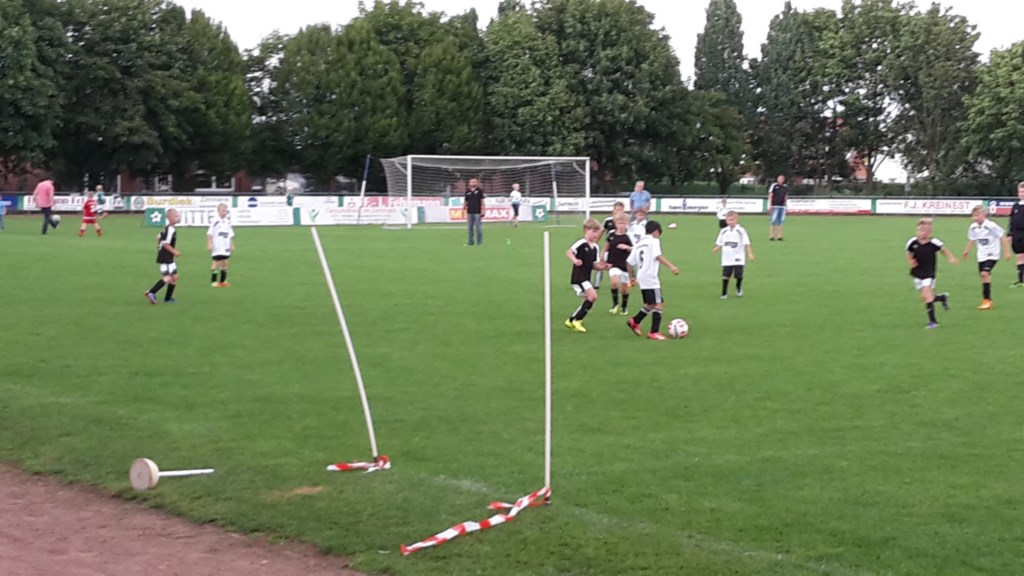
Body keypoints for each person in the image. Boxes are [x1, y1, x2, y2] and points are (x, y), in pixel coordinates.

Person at [626, 220, 680, 340]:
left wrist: (632, 278)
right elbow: (657, 255)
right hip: (650, 276)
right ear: (656, 232)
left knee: (651, 303)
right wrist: (671, 267)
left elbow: (629, 262)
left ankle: (634, 321)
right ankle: (654, 332)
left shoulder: (639, 243)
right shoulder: (654, 241)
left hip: (641, 276)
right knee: (659, 303)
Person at [906, 218, 958, 329]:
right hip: (917, 273)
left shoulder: (934, 242)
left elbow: (943, 249)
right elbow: (908, 252)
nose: (920, 233)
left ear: (929, 232)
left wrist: (951, 258)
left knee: (927, 295)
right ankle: (942, 297)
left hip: (929, 273)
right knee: (926, 297)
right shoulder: (912, 242)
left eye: (923, 231)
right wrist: (911, 261)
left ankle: (933, 322)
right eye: (919, 231)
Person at [564, 219, 611, 333]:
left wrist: (603, 267)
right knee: (593, 296)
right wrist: (575, 260)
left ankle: (571, 320)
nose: (596, 234)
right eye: (593, 231)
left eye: (597, 232)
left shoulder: (595, 247)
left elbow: (594, 265)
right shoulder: (581, 243)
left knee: (588, 300)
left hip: (586, 277)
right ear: (586, 230)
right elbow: (569, 252)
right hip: (579, 277)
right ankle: (578, 320)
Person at [962, 205, 1011, 310]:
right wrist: (967, 250)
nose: (975, 218)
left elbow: (1002, 236)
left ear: (984, 215)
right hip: (981, 255)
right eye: (974, 215)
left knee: (984, 273)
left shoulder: (991, 225)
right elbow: (972, 239)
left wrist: (1007, 251)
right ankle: (987, 301)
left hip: (992, 254)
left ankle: (987, 301)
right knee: (984, 277)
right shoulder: (973, 227)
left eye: (978, 215)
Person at [713, 211, 754, 299]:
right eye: (729, 220)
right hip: (727, 257)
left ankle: (738, 288)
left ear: (736, 220)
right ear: (726, 221)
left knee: (738, 275)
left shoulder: (741, 230)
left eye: (733, 220)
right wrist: (717, 248)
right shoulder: (723, 231)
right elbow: (720, 242)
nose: (731, 222)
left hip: (738, 257)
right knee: (725, 275)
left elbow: (747, 243)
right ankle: (724, 293)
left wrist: (750, 254)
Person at [145, 208, 181, 304]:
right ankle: (151, 292)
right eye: (176, 216)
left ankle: (168, 298)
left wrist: (160, 242)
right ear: (170, 217)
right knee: (168, 277)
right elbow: (165, 243)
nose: (178, 218)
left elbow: (158, 237)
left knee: (175, 276)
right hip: (165, 256)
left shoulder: (168, 228)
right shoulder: (170, 229)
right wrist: (174, 251)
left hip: (167, 256)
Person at [604, 212, 633, 315]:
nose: (621, 225)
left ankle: (624, 306)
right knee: (614, 282)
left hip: (625, 265)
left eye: (623, 223)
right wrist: (602, 257)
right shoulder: (611, 234)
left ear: (627, 224)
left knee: (624, 289)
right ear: (615, 224)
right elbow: (606, 246)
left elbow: (635, 249)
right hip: (613, 264)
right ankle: (615, 304)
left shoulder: (628, 236)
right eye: (619, 223)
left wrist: (627, 247)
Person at [594, 201, 625, 289]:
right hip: (609, 248)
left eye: (621, 210)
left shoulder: (625, 222)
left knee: (625, 266)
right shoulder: (607, 221)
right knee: (601, 263)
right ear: (613, 210)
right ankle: (596, 285)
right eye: (617, 209)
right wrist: (595, 243)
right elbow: (601, 232)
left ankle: (627, 282)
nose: (619, 211)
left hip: (622, 250)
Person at [207, 203, 235, 288]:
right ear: (218, 211)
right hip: (217, 245)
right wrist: (210, 244)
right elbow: (209, 234)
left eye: (225, 211)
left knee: (225, 263)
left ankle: (223, 281)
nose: (224, 212)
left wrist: (231, 245)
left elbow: (230, 234)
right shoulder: (215, 221)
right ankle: (214, 281)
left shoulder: (227, 222)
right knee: (215, 263)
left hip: (225, 246)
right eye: (223, 210)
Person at [1008, 181, 1024, 287]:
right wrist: (1009, 234)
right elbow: (1011, 221)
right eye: (1020, 192)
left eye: (1023, 192)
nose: (1022, 194)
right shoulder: (1015, 206)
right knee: (1019, 257)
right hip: (1017, 235)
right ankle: (1020, 281)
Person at [768, 175, 789, 241]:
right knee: (773, 220)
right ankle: (771, 236)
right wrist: (770, 205)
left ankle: (779, 236)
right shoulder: (774, 186)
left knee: (781, 221)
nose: (781, 180)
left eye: (782, 179)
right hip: (775, 206)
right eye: (780, 179)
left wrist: (786, 206)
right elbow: (770, 195)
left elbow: (785, 196)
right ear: (777, 179)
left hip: (782, 207)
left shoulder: (785, 187)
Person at [465, 177, 485, 245]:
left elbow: (482, 201)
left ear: (477, 183)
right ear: (469, 183)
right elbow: (466, 201)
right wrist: (463, 207)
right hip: (469, 212)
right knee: (470, 228)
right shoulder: (467, 191)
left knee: (478, 228)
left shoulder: (480, 191)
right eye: (472, 182)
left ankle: (480, 242)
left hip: (477, 212)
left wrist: (483, 210)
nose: (473, 183)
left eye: (474, 182)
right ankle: (470, 242)